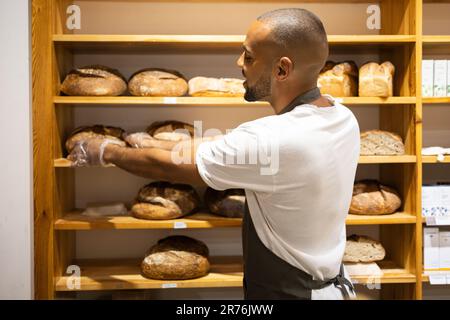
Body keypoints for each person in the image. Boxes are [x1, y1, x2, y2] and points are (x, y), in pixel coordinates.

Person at [69, 8, 360, 300]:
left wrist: (107, 151)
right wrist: (149, 142)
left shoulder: (270, 138)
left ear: (282, 69)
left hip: (291, 294)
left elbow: (168, 168)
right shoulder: (341, 116)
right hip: (331, 286)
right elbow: (220, 148)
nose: (239, 63)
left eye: (248, 56)